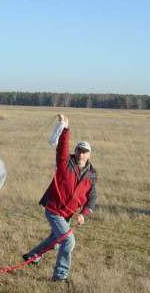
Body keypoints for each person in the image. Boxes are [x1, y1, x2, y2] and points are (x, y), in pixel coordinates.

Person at [23, 114, 97, 282]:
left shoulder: (91, 174)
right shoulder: (65, 163)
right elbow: (62, 148)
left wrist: (83, 213)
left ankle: (32, 256)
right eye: (79, 151)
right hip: (54, 209)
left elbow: (92, 197)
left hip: (68, 214)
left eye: (85, 152)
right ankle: (60, 276)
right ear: (75, 151)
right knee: (68, 241)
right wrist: (65, 129)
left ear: (89, 155)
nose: (81, 155)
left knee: (56, 239)